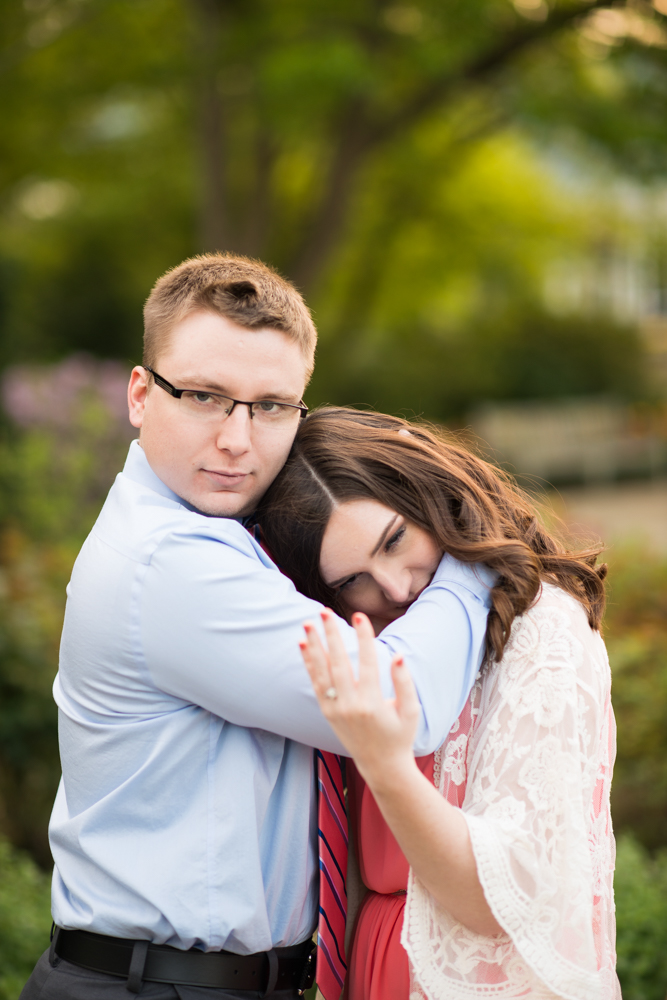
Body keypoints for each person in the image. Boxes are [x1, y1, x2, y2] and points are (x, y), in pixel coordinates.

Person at [20, 254, 495, 1000]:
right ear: (141, 396)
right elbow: (401, 708)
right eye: (206, 397)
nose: (238, 439)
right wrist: (475, 551)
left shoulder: (227, 537)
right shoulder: (169, 563)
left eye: (270, 405)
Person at [257, 407, 621, 1000]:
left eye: (395, 540)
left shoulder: (541, 630)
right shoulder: (372, 648)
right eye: (352, 580)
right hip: (374, 969)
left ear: (425, 484)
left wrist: (386, 765)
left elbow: (499, 901)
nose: (396, 588)